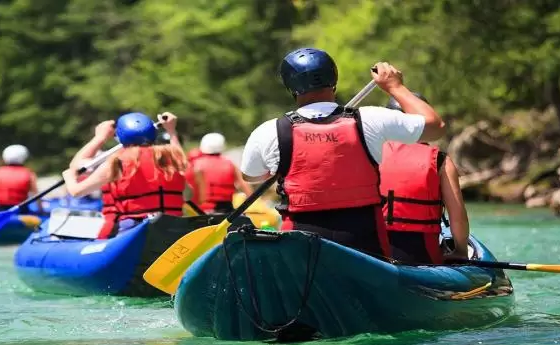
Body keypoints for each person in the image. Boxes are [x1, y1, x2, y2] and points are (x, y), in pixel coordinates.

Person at [238, 48, 445, 257]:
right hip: (365, 245)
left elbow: (252, 176)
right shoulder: (371, 119)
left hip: (301, 247)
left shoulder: (268, 132)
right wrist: (395, 87)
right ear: (333, 78)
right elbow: (436, 127)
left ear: (291, 86)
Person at [62, 112, 190, 238]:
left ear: (120, 137)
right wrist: (172, 131)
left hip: (135, 230)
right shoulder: (171, 157)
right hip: (174, 227)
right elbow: (189, 193)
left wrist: (99, 138)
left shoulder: (117, 162)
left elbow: (76, 189)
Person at [379, 96, 470, 264]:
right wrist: (461, 251)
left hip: (372, 251)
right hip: (421, 255)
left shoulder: (368, 153)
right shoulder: (440, 160)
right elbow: (457, 216)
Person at [185, 133, 254, 214]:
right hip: (225, 210)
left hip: (199, 211)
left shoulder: (194, 164)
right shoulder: (230, 164)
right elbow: (248, 190)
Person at [0, 144, 38, 211]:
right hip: (21, 210)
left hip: (1, 210)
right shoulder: (29, 174)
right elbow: (36, 195)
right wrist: (41, 211)